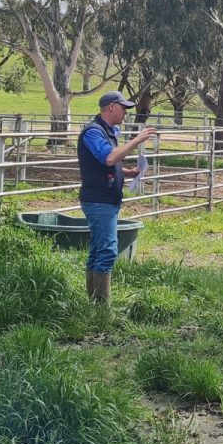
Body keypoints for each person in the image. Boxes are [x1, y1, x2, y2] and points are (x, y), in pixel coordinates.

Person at [77, 90, 155, 303]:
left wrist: (126, 172)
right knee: (108, 251)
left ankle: (94, 304)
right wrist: (137, 140)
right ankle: (102, 308)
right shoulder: (93, 132)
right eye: (123, 108)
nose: (125, 113)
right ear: (111, 107)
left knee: (97, 250)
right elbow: (109, 158)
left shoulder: (106, 132)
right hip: (99, 200)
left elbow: (106, 162)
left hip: (104, 199)